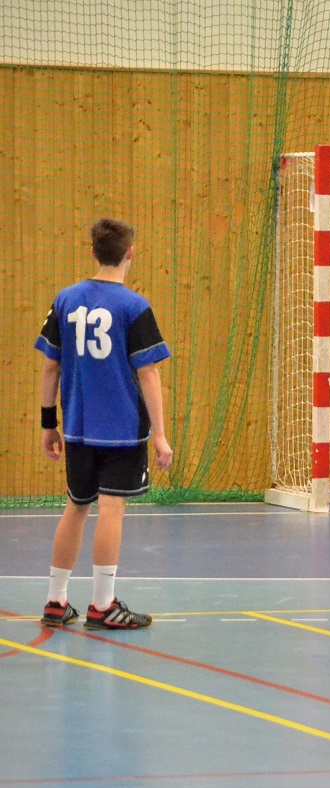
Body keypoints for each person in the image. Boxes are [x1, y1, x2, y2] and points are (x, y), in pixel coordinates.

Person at [34, 218, 173, 630]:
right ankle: (102, 604)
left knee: (75, 508)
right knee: (112, 509)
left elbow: (49, 365)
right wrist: (161, 435)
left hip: (77, 427)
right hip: (122, 429)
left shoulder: (65, 299)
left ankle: (56, 602)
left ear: (93, 252)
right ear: (131, 252)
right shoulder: (133, 307)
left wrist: (48, 424)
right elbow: (148, 374)